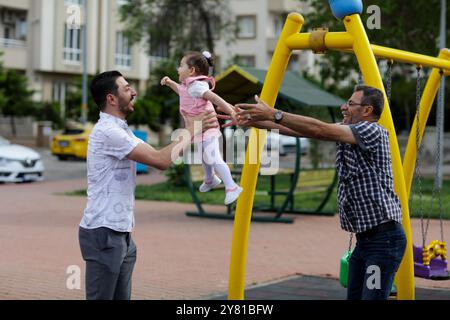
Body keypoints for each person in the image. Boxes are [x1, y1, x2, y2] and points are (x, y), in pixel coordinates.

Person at [224, 85, 407, 300]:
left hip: (384, 240)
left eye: (350, 103)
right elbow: (301, 130)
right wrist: (250, 120)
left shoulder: (372, 130)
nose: (344, 107)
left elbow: (319, 129)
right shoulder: (347, 131)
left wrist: (275, 114)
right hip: (366, 241)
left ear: (367, 111)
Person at [78, 70, 217, 300]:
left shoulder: (120, 129)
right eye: (126, 88)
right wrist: (192, 129)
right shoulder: (108, 132)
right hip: (103, 232)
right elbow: (161, 161)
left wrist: (192, 127)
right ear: (111, 99)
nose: (133, 92)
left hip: (120, 232)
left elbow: (158, 153)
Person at [161, 51, 243, 205]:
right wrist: (171, 83)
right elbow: (181, 92)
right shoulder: (189, 86)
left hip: (207, 127)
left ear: (191, 70)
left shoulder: (198, 86)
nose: (178, 69)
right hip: (199, 128)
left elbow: (215, 98)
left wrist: (231, 111)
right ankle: (210, 178)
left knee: (213, 157)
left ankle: (232, 186)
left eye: (181, 66)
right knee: (204, 156)